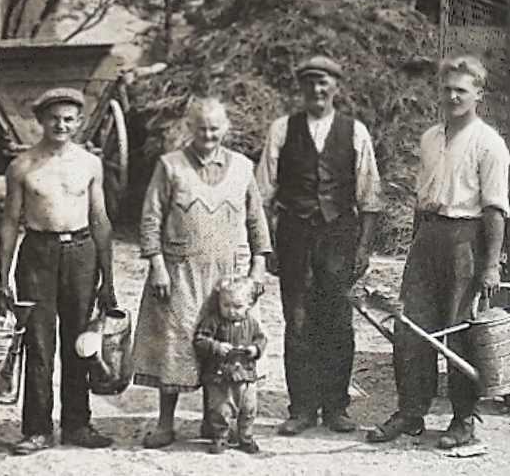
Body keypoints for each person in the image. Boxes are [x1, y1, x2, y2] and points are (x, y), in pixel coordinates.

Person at [366, 57, 509, 451]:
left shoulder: (489, 144)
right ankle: (411, 413)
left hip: (467, 239)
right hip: (428, 238)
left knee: (458, 331)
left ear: (478, 94)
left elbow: (496, 209)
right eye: (447, 89)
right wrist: (416, 245)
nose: (452, 97)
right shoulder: (430, 138)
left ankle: (464, 420)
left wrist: (490, 265)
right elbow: (421, 197)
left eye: (461, 90)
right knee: (410, 328)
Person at [253, 54, 383, 435]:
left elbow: (370, 195)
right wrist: (267, 245)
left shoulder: (355, 132)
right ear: (301, 88)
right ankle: (302, 409)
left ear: (336, 87)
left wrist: (363, 248)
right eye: (309, 82)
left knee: (337, 321)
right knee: (297, 321)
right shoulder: (282, 130)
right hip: (294, 236)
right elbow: (262, 195)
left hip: (339, 237)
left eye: (323, 82)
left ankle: (336, 407)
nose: (317, 89)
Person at [134, 96, 272, 449]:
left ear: (225, 128)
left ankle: (216, 421)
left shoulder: (242, 167)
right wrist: (157, 266)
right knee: (175, 345)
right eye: (201, 129)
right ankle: (165, 424)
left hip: (231, 277)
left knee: (231, 342)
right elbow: (150, 219)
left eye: (214, 129)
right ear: (189, 128)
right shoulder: (170, 166)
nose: (208, 135)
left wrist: (258, 266)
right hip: (182, 273)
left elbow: (256, 220)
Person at [0, 86, 118, 455]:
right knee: (38, 342)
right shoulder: (22, 166)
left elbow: (100, 220)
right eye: (53, 118)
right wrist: (2, 278)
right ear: (40, 121)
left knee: (80, 341)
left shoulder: (90, 164)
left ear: (79, 123)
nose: (60, 125)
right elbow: (9, 223)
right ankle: (37, 429)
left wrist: (108, 277)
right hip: (37, 253)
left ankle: (77, 424)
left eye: (68, 119)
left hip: (81, 252)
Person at [193, 275, 269, 455]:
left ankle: (246, 437)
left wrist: (254, 349)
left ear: (249, 304)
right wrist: (216, 346)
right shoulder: (213, 321)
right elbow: (200, 340)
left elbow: (261, 339)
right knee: (221, 408)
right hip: (220, 375)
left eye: (237, 306)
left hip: (245, 374)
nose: (231, 311)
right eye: (226, 305)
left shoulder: (251, 323)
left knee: (248, 408)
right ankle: (220, 437)